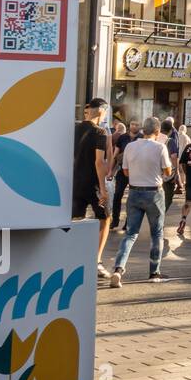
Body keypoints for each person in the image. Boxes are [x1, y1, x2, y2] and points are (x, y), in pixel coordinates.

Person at [109, 117, 173, 285]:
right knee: (157, 234)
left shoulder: (130, 147)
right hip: (154, 193)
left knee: (130, 234)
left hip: (134, 192)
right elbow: (167, 172)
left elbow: (126, 172)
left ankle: (118, 269)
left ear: (143, 130)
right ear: (158, 132)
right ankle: (154, 272)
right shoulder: (160, 147)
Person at [72, 98, 111, 278]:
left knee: (75, 220)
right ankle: (96, 260)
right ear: (102, 111)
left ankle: (74, 258)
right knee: (105, 218)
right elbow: (99, 161)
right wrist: (103, 188)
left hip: (74, 182)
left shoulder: (74, 128)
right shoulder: (100, 132)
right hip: (92, 184)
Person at [108, 120, 140, 230]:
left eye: (136, 124)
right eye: (132, 124)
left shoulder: (142, 137)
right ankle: (115, 220)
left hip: (136, 172)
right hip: (122, 171)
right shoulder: (122, 138)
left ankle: (128, 223)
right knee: (117, 196)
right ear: (129, 125)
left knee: (132, 199)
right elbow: (115, 155)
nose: (134, 126)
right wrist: (110, 171)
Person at [160, 119, 183, 220]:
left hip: (155, 173)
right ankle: (159, 218)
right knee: (167, 198)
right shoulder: (170, 141)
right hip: (167, 173)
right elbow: (174, 157)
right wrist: (176, 172)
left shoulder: (156, 138)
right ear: (170, 130)